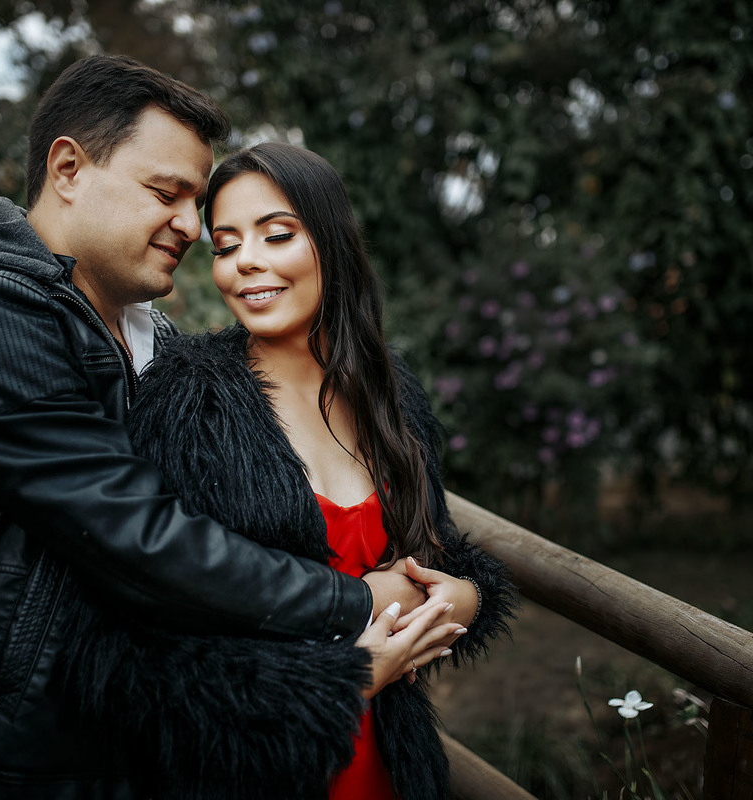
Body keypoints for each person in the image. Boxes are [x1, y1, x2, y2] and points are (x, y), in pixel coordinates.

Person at [0, 55, 428, 800]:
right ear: (68, 167)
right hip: (9, 765)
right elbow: (134, 533)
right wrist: (358, 603)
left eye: (194, 202)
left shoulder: (153, 335)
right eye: (166, 193)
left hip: (133, 748)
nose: (192, 228)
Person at [60, 142, 516, 800]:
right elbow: (126, 653)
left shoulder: (390, 397)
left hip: (391, 763)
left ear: (331, 243)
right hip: (257, 773)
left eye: (276, 235)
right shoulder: (190, 401)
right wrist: (347, 676)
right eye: (225, 244)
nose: (246, 262)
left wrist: (469, 599)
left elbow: (437, 551)